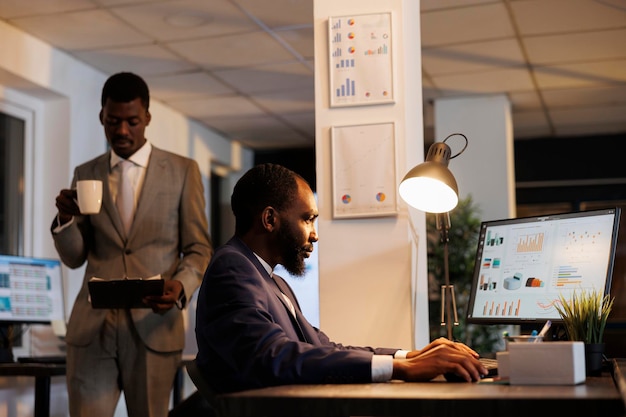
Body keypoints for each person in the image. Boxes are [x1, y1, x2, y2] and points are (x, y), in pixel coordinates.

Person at [194, 163, 487, 396]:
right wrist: (401, 368)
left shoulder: (272, 281)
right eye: (307, 219)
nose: (314, 234)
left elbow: (323, 348)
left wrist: (409, 355)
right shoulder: (232, 266)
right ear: (270, 219)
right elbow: (274, 357)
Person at [51, 72, 213, 417]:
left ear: (147, 119)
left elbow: (199, 248)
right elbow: (75, 257)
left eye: (131, 122)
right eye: (113, 121)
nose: (122, 131)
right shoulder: (86, 173)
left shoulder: (183, 171)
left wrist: (180, 286)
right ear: (102, 118)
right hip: (93, 327)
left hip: (154, 325)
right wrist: (65, 220)